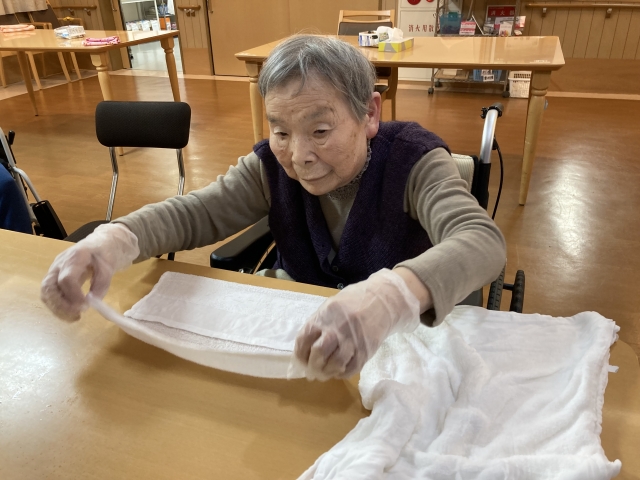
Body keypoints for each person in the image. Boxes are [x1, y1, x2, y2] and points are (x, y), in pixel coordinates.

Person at [41, 35, 505, 381]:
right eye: (281, 131)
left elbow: (481, 240)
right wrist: (114, 240)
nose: (298, 156)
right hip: (301, 344)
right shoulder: (270, 166)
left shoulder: (414, 161)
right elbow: (196, 213)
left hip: (399, 353)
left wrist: (392, 296)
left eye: (319, 131)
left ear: (369, 114)